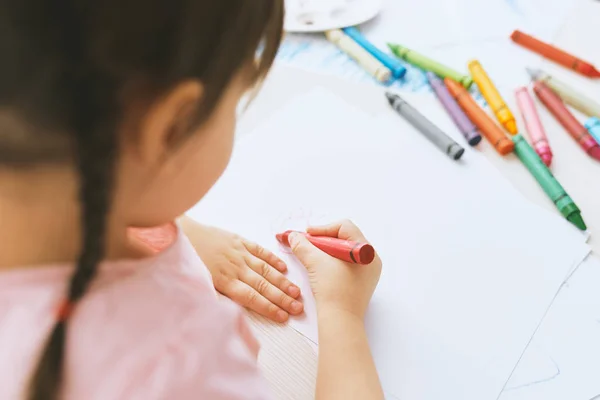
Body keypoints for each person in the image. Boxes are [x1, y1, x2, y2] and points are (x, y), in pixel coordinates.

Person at [0, 1, 384, 399]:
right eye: (235, 102)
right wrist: (343, 316)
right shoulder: (176, 359)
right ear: (172, 127)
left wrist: (173, 227)